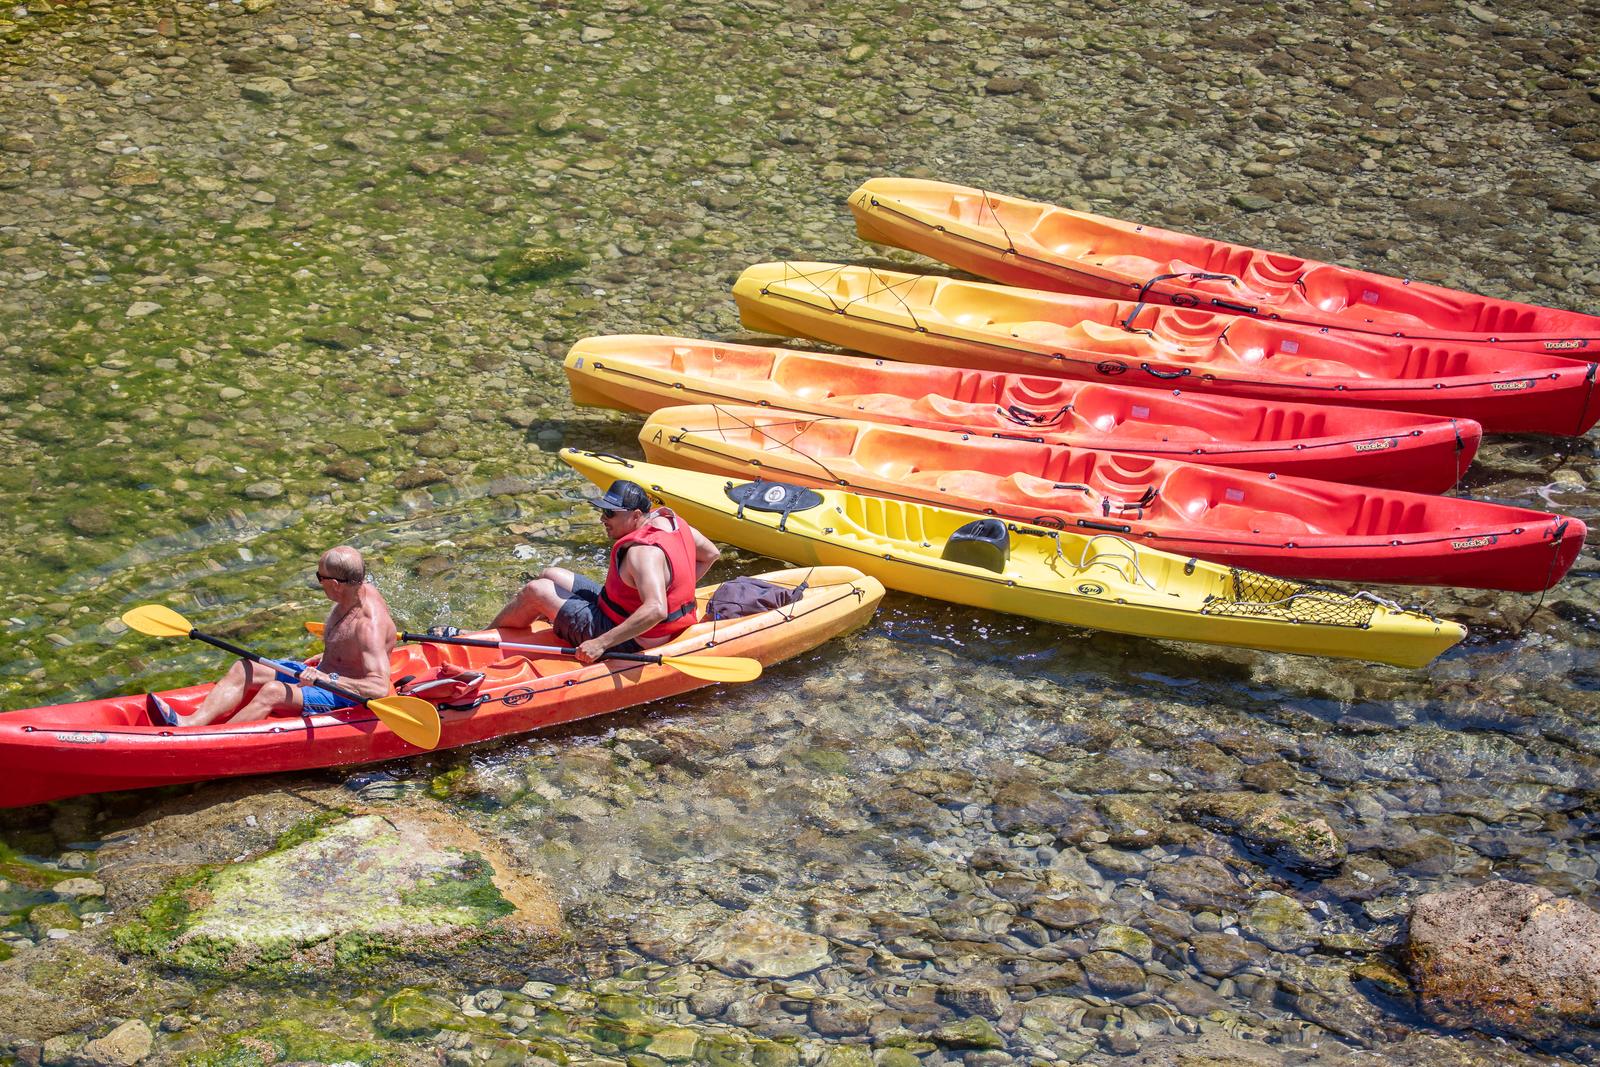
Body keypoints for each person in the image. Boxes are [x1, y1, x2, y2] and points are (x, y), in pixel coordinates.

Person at [148, 546, 398, 727]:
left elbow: (377, 688)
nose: (318, 582)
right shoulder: (356, 591)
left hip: (343, 695)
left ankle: (218, 739)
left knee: (274, 691)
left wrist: (327, 676)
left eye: (319, 577)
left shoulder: (368, 627)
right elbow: (354, 643)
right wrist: (334, 656)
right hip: (321, 674)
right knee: (245, 668)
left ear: (335, 583)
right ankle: (191, 723)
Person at [489, 479, 720, 664]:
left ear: (636, 515)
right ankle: (525, 624)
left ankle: (478, 640)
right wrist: (674, 591)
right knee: (551, 574)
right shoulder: (675, 525)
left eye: (610, 514)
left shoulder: (641, 553)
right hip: (622, 612)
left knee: (535, 590)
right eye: (603, 511)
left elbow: (656, 610)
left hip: (636, 640)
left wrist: (600, 643)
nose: (602, 518)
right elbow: (711, 554)